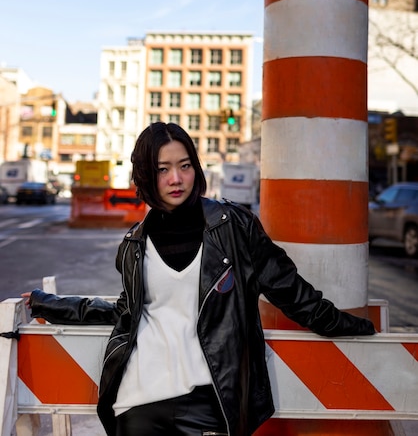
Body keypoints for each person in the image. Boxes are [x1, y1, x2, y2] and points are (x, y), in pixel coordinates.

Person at [23, 122, 375, 436]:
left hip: (210, 401)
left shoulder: (235, 228)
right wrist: (48, 304)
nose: (176, 179)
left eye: (184, 166)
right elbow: (125, 313)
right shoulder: (133, 245)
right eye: (162, 169)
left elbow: (293, 294)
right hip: (138, 402)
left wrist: (356, 326)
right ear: (146, 176)